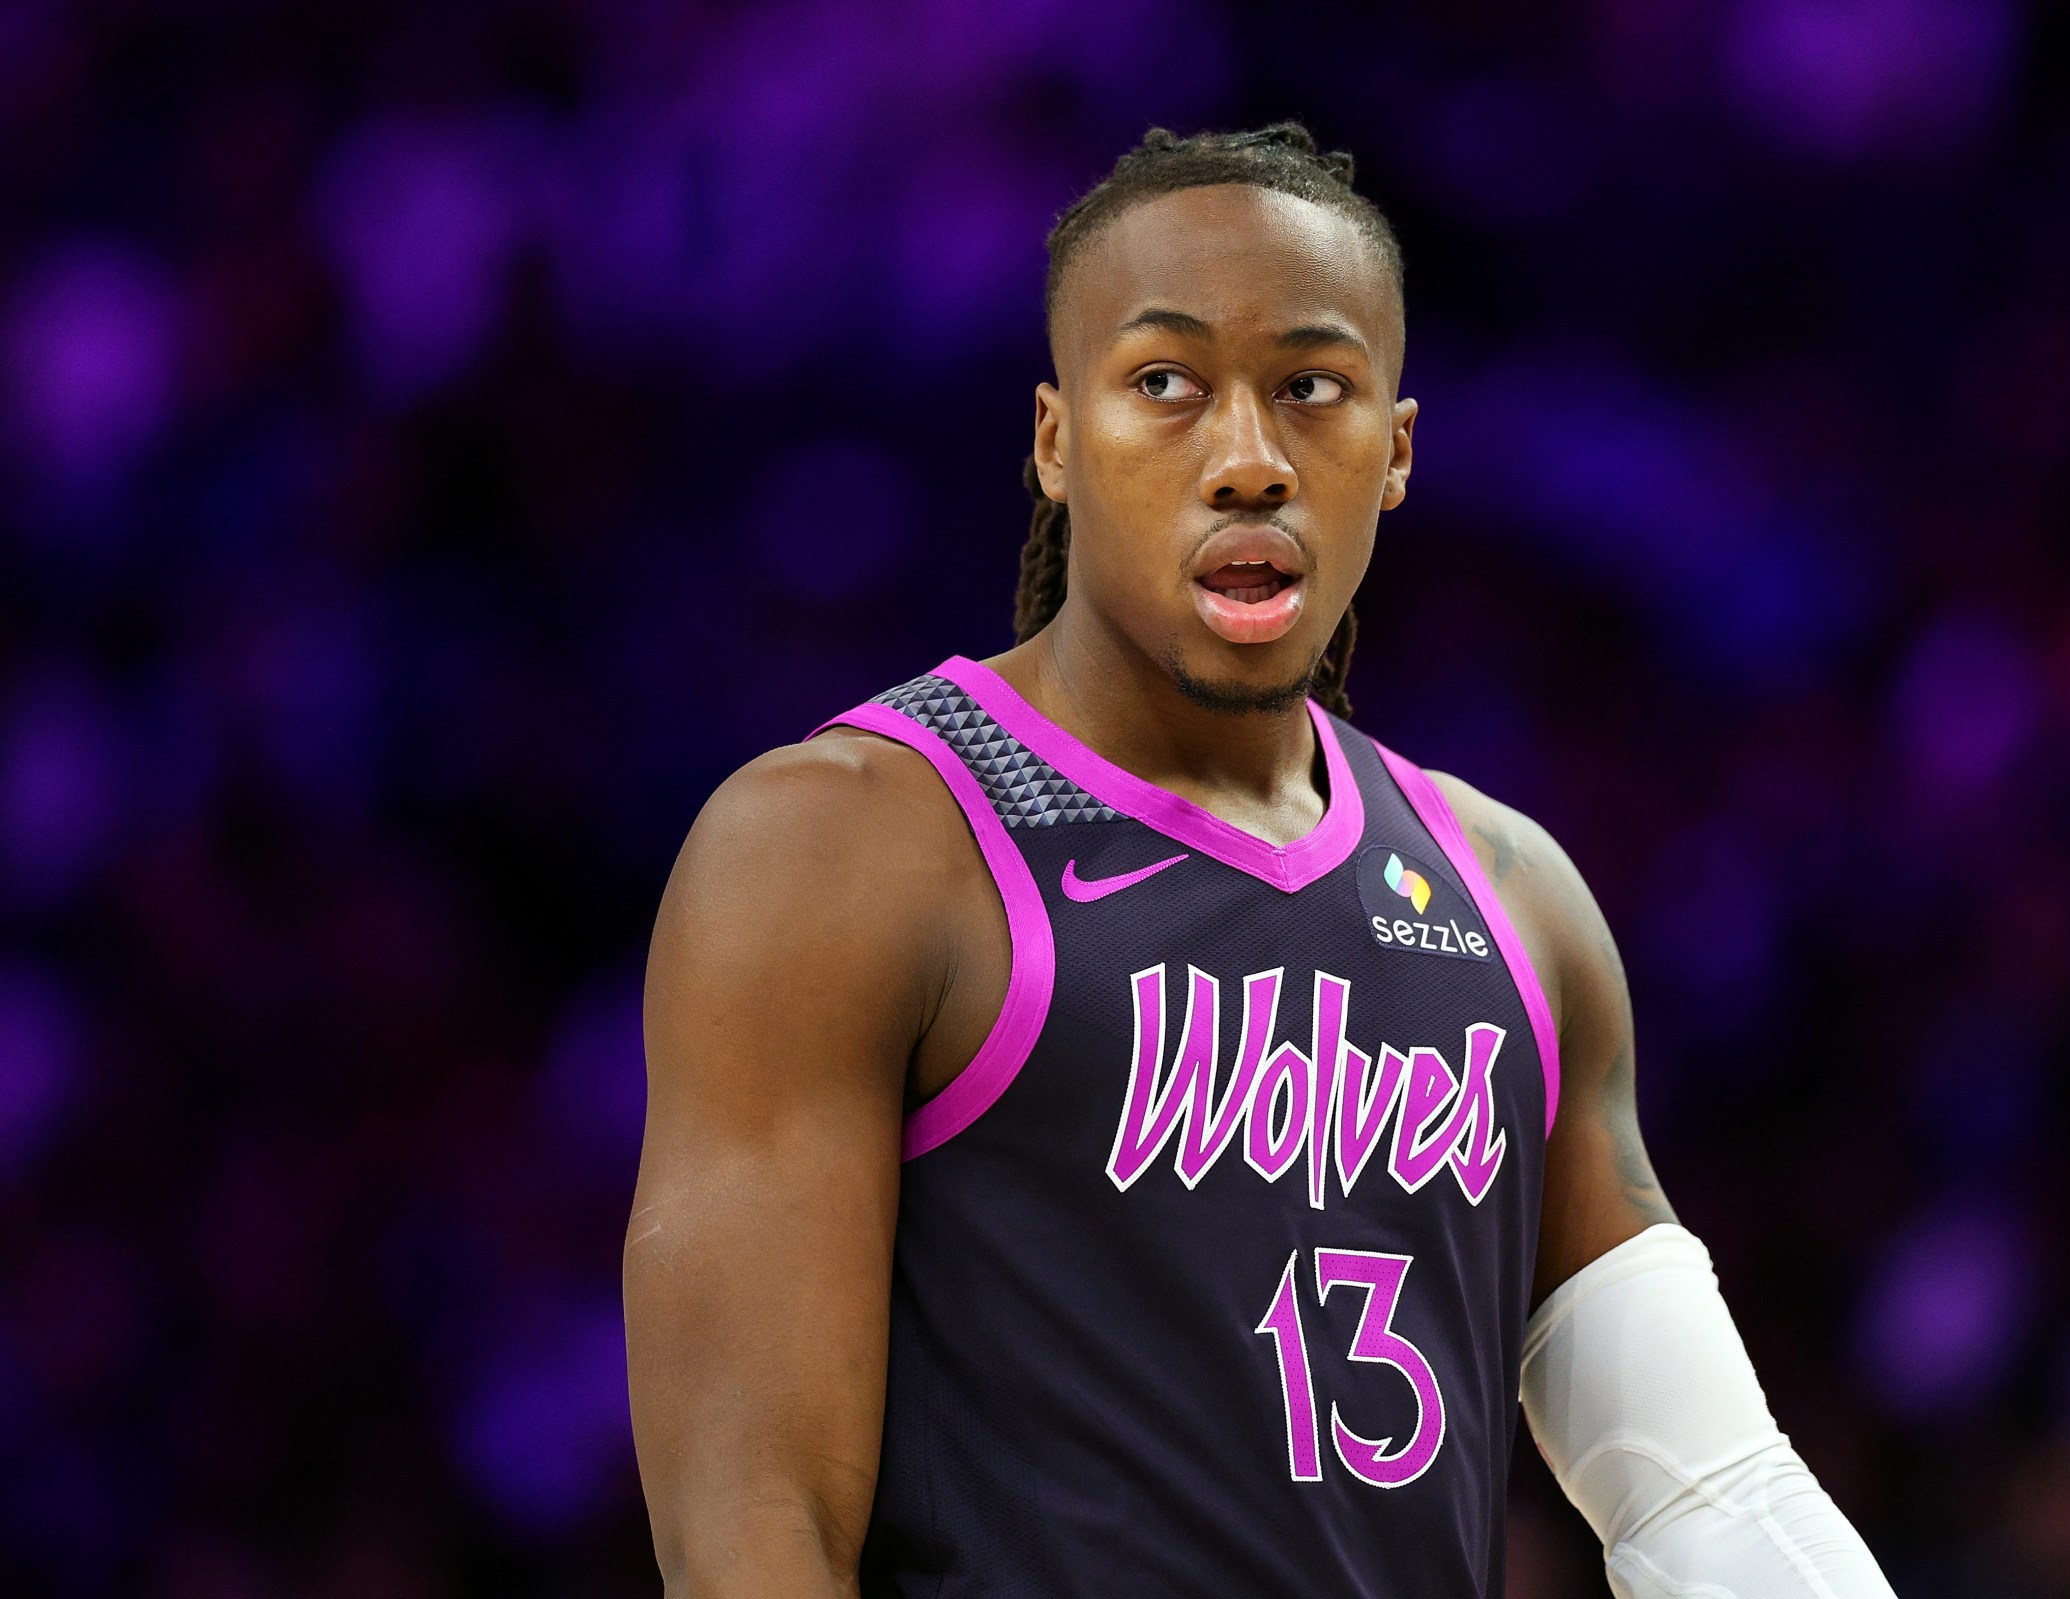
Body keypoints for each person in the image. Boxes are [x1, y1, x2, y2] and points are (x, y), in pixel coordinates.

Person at [627, 123, 1898, 1599]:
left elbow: (1708, 1498)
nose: (1246, 459)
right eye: (1165, 385)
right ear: (1055, 440)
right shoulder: (843, 843)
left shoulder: (1516, 902)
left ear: (1397, 450)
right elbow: (751, 1533)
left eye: (1311, 389)